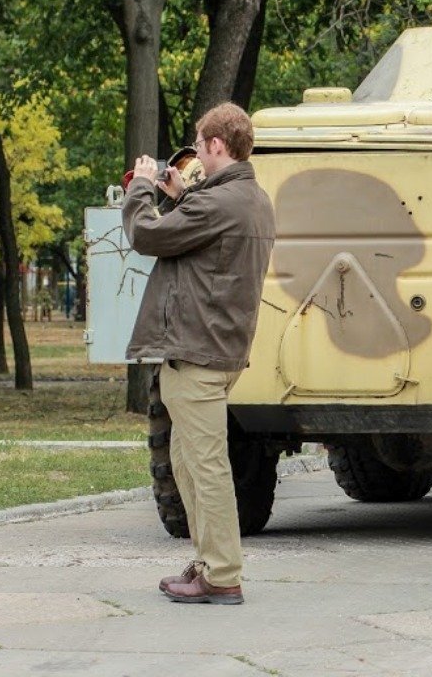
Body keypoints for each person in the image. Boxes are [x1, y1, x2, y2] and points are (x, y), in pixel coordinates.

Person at [122, 102, 276, 605]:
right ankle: (209, 561)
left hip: (198, 352)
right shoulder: (250, 199)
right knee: (189, 462)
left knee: (205, 466)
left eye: (199, 143)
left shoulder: (219, 203)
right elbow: (199, 248)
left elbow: (147, 235)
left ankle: (223, 573)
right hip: (216, 348)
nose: (195, 154)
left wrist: (141, 188)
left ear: (215, 145)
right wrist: (179, 197)